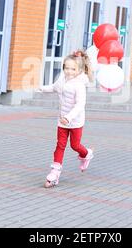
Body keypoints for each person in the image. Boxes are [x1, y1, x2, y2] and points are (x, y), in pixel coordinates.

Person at [38, 50, 95, 188]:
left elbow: (80, 104)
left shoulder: (79, 85)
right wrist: (41, 88)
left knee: (75, 145)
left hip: (75, 121)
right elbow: (54, 88)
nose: (68, 71)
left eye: (72, 69)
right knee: (60, 145)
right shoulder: (62, 79)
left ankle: (87, 154)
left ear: (79, 70)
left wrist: (69, 118)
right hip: (62, 120)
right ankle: (55, 172)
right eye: (66, 68)